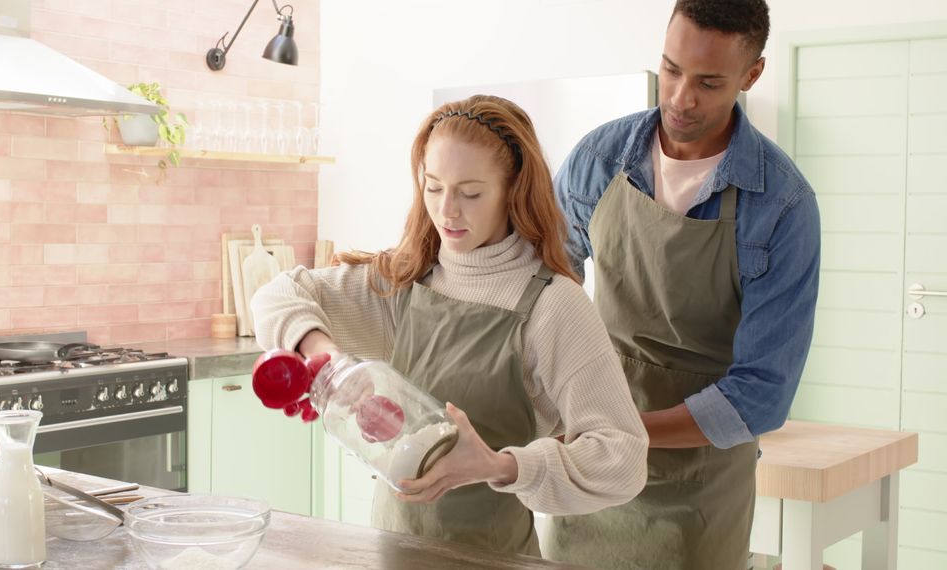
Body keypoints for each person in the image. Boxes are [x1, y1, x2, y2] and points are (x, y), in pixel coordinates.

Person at [251, 95, 648, 556]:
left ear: (513, 189)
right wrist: (333, 364)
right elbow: (277, 294)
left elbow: (622, 457)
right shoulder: (408, 281)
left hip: (492, 558)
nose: (447, 211)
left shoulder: (553, 304)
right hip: (393, 551)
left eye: (471, 192)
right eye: (433, 187)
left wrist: (501, 467)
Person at [542, 1, 821, 569]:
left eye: (708, 82)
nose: (680, 98)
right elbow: (542, 291)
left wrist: (625, 431)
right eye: (671, 69)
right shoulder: (599, 160)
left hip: (702, 481)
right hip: (591, 461)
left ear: (752, 75)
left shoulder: (783, 205)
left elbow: (762, 392)